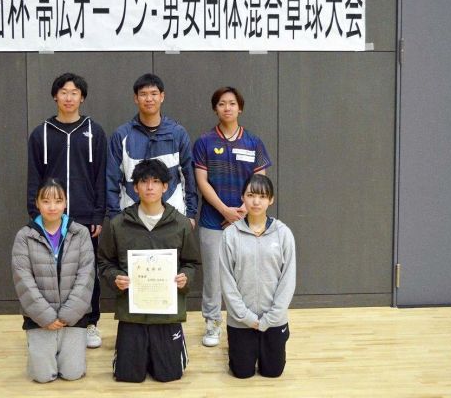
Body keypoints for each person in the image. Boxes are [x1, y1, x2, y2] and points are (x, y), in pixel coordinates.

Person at [98, 159, 200, 383]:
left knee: (169, 375)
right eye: (144, 182)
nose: (150, 187)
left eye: (156, 181)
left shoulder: (181, 224)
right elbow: (104, 262)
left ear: (165, 186)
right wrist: (115, 278)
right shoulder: (118, 224)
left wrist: (186, 278)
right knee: (128, 376)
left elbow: (192, 263)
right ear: (135, 187)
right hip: (132, 312)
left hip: (167, 312)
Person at [27, 72, 107, 349]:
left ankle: (90, 323)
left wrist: (98, 214)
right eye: (64, 92)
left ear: (82, 97)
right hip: (50, 217)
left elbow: (101, 176)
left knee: (86, 273)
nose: (69, 97)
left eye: (74, 93)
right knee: (52, 273)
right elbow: (34, 177)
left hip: (85, 218)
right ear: (55, 96)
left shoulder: (94, 131)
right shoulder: (41, 133)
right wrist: (35, 215)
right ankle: (53, 322)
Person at [192, 86, 272, 347]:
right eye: (222, 104)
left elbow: (259, 183)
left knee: (246, 274)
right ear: (215, 109)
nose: (227, 108)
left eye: (232, 103)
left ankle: (244, 321)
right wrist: (225, 210)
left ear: (240, 108)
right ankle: (213, 321)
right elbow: (201, 181)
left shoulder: (253, 142)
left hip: (247, 221)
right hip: (212, 221)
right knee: (214, 276)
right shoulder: (204, 142)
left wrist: (242, 211)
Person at [12, 178, 95, 383]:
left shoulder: (81, 233)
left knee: (72, 374)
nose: (52, 207)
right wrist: (46, 316)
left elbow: (86, 276)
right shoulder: (24, 236)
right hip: (40, 317)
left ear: (65, 203)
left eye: (58, 201)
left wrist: (68, 314)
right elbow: (23, 280)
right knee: (42, 376)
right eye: (46, 201)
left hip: (73, 316)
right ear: (37, 203)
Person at [219, 174, 296, 378]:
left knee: (273, 372)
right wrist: (246, 317)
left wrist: (271, 317)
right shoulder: (230, 235)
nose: (256, 201)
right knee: (241, 373)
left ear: (271, 200)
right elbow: (227, 282)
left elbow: (288, 280)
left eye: (262, 196)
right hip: (241, 321)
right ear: (242, 197)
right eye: (251, 195)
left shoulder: (283, 233)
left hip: (274, 320)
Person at [106, 73, 197, 227]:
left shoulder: (177, 133)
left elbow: (188, 176)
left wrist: (190, 214)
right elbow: (112, 180)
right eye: (143, 94)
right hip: (131, 219)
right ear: (136, 98)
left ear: (162, 96)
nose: (149, 99)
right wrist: (115, 217)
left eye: (154, 94)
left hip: (172, 218)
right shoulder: (121, 135)